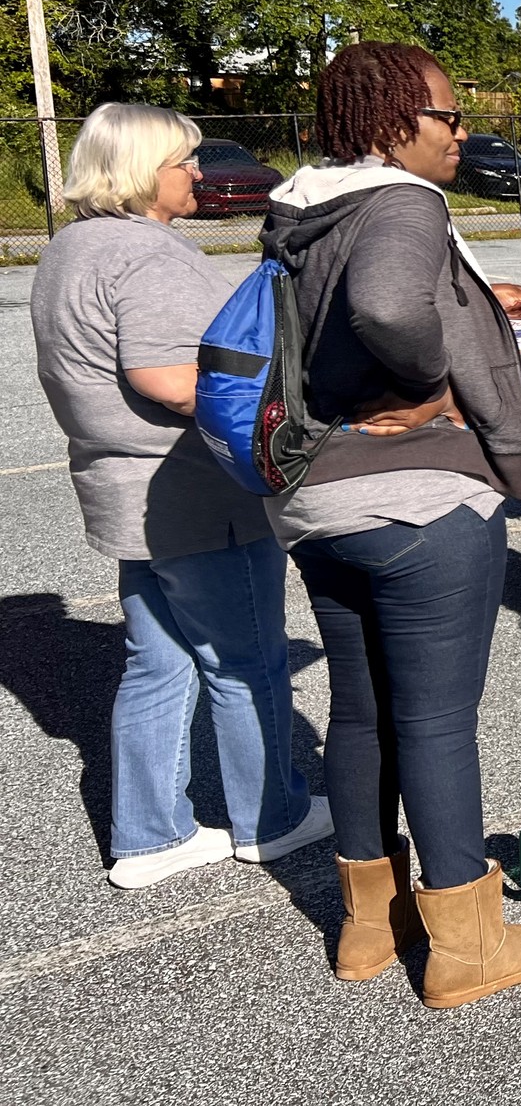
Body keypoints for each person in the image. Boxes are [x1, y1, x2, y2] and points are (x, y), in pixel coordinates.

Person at [265, 41, 521, 1006]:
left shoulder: (305, 208)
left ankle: (368, 926)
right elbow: (390, 304)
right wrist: (434, 381)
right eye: (448, 115)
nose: (462, 133)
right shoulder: (403, 199)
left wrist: (480, 308)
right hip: (418, 500)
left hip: (319, 501)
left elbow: (361, 310)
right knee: (437, 721)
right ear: (396, 124)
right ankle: (466, 946)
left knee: (362, 713)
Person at [31, 104, 328, 890]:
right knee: (247, 662)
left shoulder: (71, 247)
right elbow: (169, 380)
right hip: (193, 495)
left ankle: (150, 833)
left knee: (157, 665)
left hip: (122, 490)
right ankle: (273, 818)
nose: (197, 173)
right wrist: (284, 410)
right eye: (183, 161)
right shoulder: (144, 252)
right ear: (140, 170)